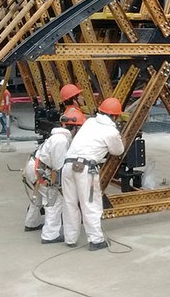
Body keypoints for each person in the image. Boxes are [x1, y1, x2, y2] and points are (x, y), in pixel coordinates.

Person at [61, 97, 124, 250]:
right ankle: (96, 240)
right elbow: (118, 151)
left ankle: (70, 238)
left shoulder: (89, 122)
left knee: (69, 203)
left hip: (67, 165)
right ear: (115, 116)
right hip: (85, 169)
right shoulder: (111, 131)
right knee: (90, 204)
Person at [36, 107, 86, 243]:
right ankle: (49, 235)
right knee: (54, 202)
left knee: (39, 200)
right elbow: (59, 168)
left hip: (37, 168)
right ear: (75, 128)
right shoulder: (61, 141)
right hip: (44, 172)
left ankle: (31, 223)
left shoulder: (59, 137)